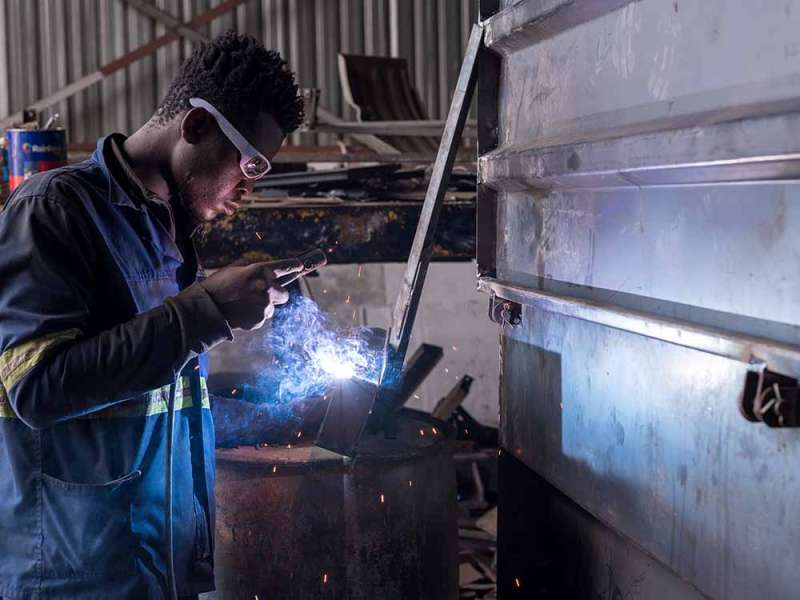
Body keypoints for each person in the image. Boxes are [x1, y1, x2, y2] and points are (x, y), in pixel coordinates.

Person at [0, 32, 304, 599]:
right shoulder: (55, 208)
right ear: (196, 128)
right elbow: (37, 389)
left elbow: (154, 393)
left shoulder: (168, 229)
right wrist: (208, 312)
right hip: (76, 574)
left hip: (156, 563)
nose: (249, 189)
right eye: (251, 163)